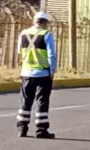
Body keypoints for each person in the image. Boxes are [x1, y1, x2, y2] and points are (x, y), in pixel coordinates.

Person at [16, 11, 57, 139]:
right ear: (45, 23)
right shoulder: (47, 34)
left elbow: (19, 51)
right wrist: (52, 71)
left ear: (34, 21)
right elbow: (52, 55)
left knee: (26, 101)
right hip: (43, 73)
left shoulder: (23, 33)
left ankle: (22, 129)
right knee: (42, 102)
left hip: (26, 73)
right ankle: (41, 130)